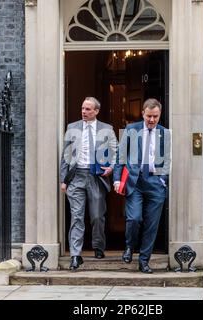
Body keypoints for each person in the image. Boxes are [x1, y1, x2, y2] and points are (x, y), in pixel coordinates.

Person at [113, 98, 171, 274]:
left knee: (152, 225)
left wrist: (163, 180)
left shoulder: (165, 133)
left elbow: (167, 159)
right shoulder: (131, 130)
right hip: (135, 182)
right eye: (149, 116)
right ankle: (130, 246)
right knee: (134, 219)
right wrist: (117, 179)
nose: (152, 120)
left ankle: (144, 261)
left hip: (155, 182)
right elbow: (120, 157)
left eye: (155, 116)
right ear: (143, 114)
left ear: (159, 115)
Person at [60, 97, 117, 270]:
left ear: (96, 111)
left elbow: (116, 152)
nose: (84, 112)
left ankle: (98, 246)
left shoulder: (107, 129)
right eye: (83, 108)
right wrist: (63, 180)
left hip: (96, 176)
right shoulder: (72, 128)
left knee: (97, 216)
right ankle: (75, 255)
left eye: (88, 109)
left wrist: (111, 168)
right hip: (76, 176)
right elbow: (65, 156)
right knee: (77, 216)